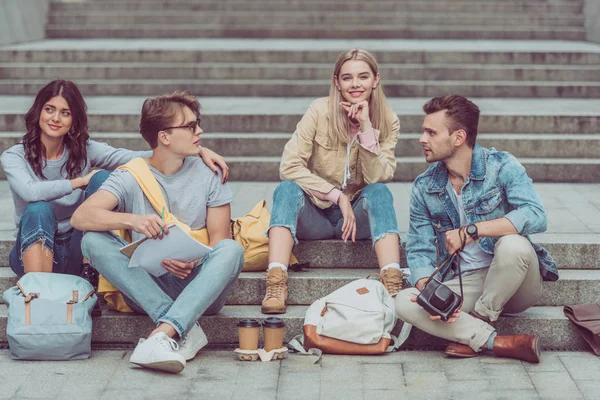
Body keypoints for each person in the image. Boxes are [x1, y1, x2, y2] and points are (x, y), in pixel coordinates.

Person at [71, 91, 244, 374]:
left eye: (196, 123)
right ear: (164, 137)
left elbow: (220, 241)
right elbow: (81, 216)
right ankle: (178, 329)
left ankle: (161, 333)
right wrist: (134, 221)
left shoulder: (210, 172)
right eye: (190, 126)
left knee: (232, 250)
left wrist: (195, 262)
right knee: (92, 240)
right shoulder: (130, 175)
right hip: (146, 286)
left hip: (200, 285)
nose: (199, 131)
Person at [0, 80, 229, 278]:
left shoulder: (84, 149)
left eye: (65, 112)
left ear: (74, 119)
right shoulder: (14, 156)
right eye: (49, 109)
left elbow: (139, 157)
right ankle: (38, 290)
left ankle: (90, 272)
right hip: (34, 247)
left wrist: (197, 150)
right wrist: (79, 182)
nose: (56, 118)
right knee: (38, 209)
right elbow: (30, 192)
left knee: (101, 179)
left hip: (76, 246)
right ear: (38, 111)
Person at [394, 94, 559, 363]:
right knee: (404, 301)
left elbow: (536, 215)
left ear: (458, 137)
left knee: (513, 244)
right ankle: (497, 342)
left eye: (431, 132)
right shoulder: (425, 187)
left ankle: (480, 320)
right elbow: (418, 249)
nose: (422, 139)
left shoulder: (502, 166)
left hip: (516, 280)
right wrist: (427, 290)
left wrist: (473, 230)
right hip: (466, 283)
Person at [262, 48, 403, 315]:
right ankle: (276, 281)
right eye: (347, 78)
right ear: (337, 81)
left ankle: (393, 283)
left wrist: (365, 127)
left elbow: (378, 176)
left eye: (363, 76)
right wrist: (336, 195)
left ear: (376, 79)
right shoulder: (319, 111)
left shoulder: (388, 121)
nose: (355, 84)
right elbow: (289, 166)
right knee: (287, 189)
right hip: (315, 214)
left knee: (380, 192)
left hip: (356, 221)